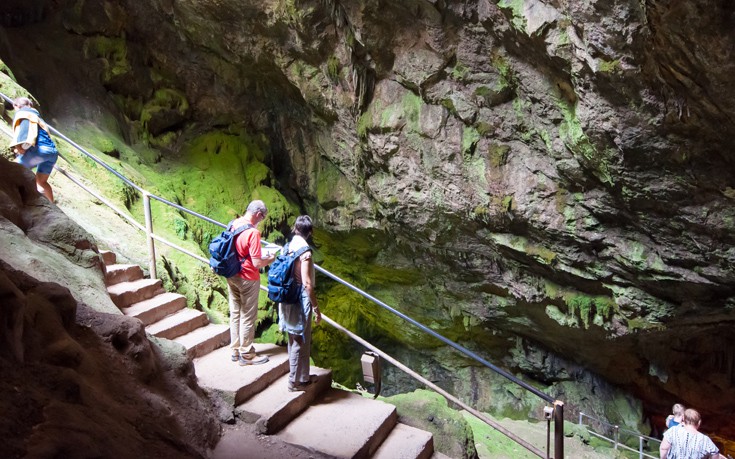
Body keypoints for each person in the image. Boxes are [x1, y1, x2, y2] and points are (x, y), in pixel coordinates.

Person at [228, 200, 276, 365]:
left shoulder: (234, 223)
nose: (261, 220)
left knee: (235, 313)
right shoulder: (253, 233)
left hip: (232, 274)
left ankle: (235, 350)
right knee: (248, 316)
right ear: (257, 214)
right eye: (262, 217)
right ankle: (247, 354)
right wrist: (270, 259)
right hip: (247, 277)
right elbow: (256, 263)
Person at [278, 215, 322, 391]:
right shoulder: (305, 252)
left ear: (296, 229)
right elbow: (307, 283)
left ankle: (303, 377)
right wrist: (316, 307)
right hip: (299, 299)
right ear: (309, 232)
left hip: (286, 296)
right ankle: (292, 382)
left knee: (295, 337)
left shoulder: (287, 247)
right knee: (298, 339)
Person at [9, 97, 59, 202]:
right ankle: (52, 205)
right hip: (52, 153)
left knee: (13, 169)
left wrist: (19, 147)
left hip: (40, 152)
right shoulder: (37, 116)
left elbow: (23, 132)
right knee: (41, 182)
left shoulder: (23, 114)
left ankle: (14, 199)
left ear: (17, 106)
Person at [660, 409, 724, 459]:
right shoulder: (705, 440)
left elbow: (664, 448)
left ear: (683, 419)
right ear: (699, 422)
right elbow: (715, 453)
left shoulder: (673, 431)